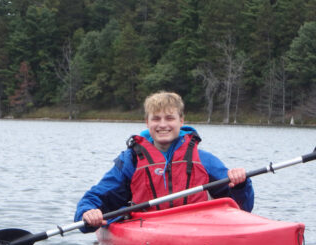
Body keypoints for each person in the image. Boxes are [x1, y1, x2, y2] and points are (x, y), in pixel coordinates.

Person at [75, 91, 254, 229]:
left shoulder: (203, 160)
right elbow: (97, 195)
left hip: (196, 227)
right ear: (147, 122)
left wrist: (240, 184)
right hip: (146, 227)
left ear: (181, 121)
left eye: (169, 118)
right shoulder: (131, 160)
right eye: (156, 119)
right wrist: (88, 212)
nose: (162, 125)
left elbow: (242, 208)